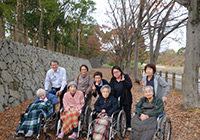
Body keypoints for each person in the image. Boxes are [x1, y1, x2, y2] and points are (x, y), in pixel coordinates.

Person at [109, 65, 132, 130]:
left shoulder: (125, 77)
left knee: (127, 112)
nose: (116, 74)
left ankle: (128, 125)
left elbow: (129, 86)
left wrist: (124, 81)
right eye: (114, 73)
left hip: (126, 98)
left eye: (117, 72)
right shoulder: (112, 80)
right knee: (117, 112)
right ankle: (117, 125)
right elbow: (111, 89)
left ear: (120, 71)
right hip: (116, 99)